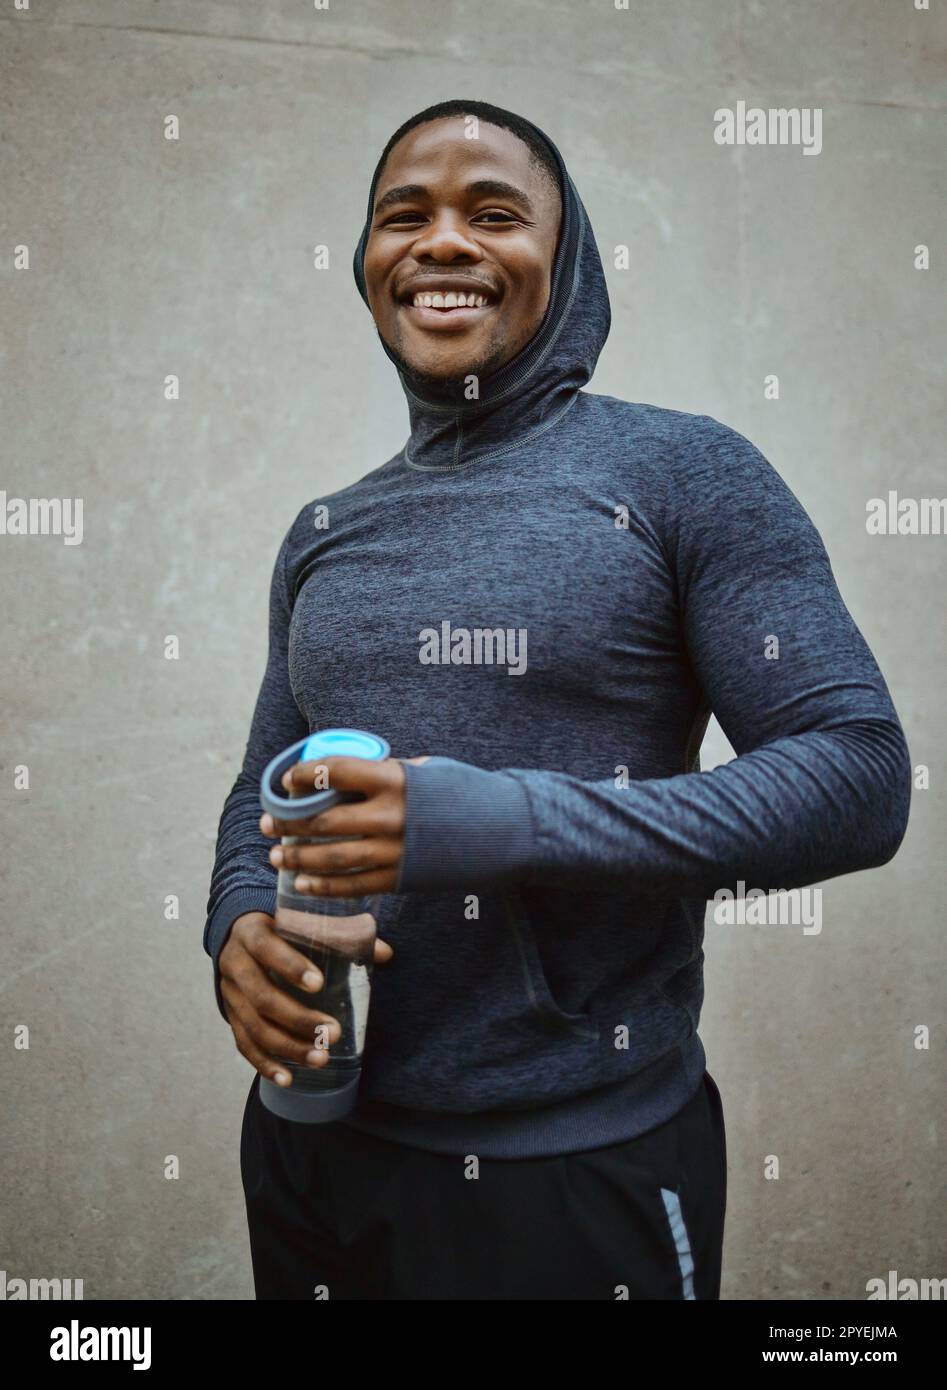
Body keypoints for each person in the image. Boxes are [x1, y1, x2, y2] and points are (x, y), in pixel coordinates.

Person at [204, 100, 911, 1300]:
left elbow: (857, 774)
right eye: (402, 216)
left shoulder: (683, 473)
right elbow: (263, 788)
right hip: (310, 1153)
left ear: (564, 257)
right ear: (366, 261)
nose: (438, 242)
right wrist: (233, 929)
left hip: (577, 1171)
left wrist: (513, 824)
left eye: (491, 214)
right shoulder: (323, 530)